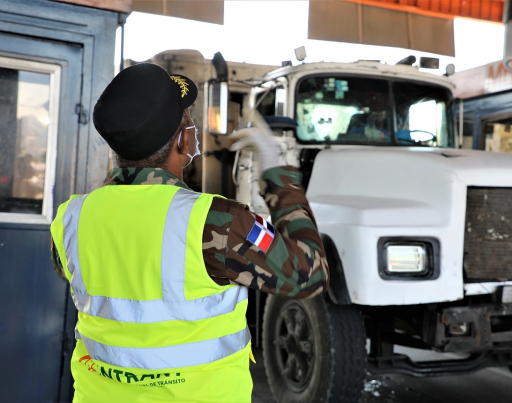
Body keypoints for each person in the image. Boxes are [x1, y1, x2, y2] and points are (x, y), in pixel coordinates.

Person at [49, 63, 329, 402]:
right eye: (190, 120)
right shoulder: (216, 221)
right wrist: (277, 173)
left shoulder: (72, 219)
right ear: (184, 140)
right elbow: (309, 274)